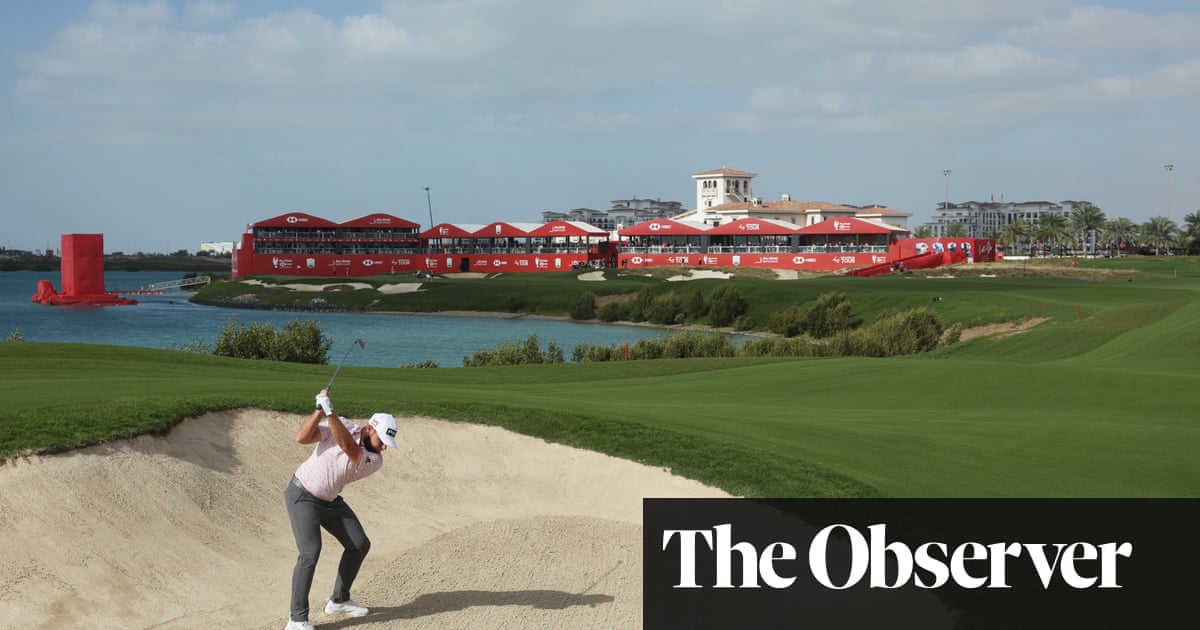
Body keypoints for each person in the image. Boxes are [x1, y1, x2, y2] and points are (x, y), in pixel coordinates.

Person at [283, 389, 399, 630]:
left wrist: (329, 411)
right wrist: (318, 411)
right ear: (370, 429)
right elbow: (302, 438)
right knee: (310, 553)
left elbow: (350, 449)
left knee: (359, 544)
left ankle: (339, 600)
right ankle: (297, 620)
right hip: (302, 495)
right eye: (382, 441)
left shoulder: (374, 460)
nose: (384, 448)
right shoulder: (343, 424)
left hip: (330, 501)